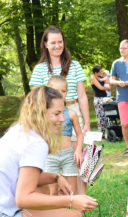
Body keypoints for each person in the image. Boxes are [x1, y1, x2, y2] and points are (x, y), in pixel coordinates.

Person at [0, 86, 98, 217]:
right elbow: (23, 197)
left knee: (44, 188)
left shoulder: (19, 130)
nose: (63, 119)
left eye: (62, 112)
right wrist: (71, 200)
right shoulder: (36, 143)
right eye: (57, 113)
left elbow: (25, 178)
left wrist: (55, 177)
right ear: (39, 112)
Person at [29, 25, 89, 194]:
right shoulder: (40, 69)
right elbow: (36, 98)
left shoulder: (75, 65)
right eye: (53, 42)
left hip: (73, 109)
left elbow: (82, 95)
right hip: (51, 117)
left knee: (77, 161)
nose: (57, 46)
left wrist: (86, 124)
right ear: (45, 44)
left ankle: (80, 202)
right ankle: (53, 202)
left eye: (60, 42)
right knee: (52, 158)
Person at [45, 76, 84, 195]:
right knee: (52, 192)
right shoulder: (45, 114)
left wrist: (78, 150)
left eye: (64, 91)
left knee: (71, 190)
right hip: (50, 156)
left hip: (68, 155)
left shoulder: (72, 114)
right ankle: (55, 213)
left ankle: (73, 213)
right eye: (57, 91)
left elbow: (79, 134)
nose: (61, 94)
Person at [90, 65, 110, 141]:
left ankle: (110, 134)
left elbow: (108, 83)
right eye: (100, 72)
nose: (101, 73)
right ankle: (102, 136)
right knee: (100, 117)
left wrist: (105, 77)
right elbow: (101, 88)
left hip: (105, 98)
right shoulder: (93, 78)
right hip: (99, 99)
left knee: (108, 116)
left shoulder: (101, 77)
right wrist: (107, 87)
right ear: (96, 72)